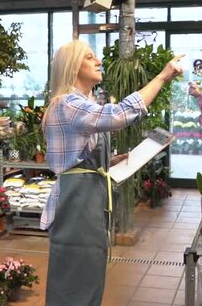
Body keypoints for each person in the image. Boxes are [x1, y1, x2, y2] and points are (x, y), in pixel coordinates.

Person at [40, 40, 183, 305]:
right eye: (89, 57)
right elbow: (118, 115)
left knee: (87, 274)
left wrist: (112, 161)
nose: (98, 61)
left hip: (87, 199)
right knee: (75, 280)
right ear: (72, 67)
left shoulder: (82, 104)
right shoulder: (67, 103)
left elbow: (80, 157)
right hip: (76, 203)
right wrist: (162, 77)